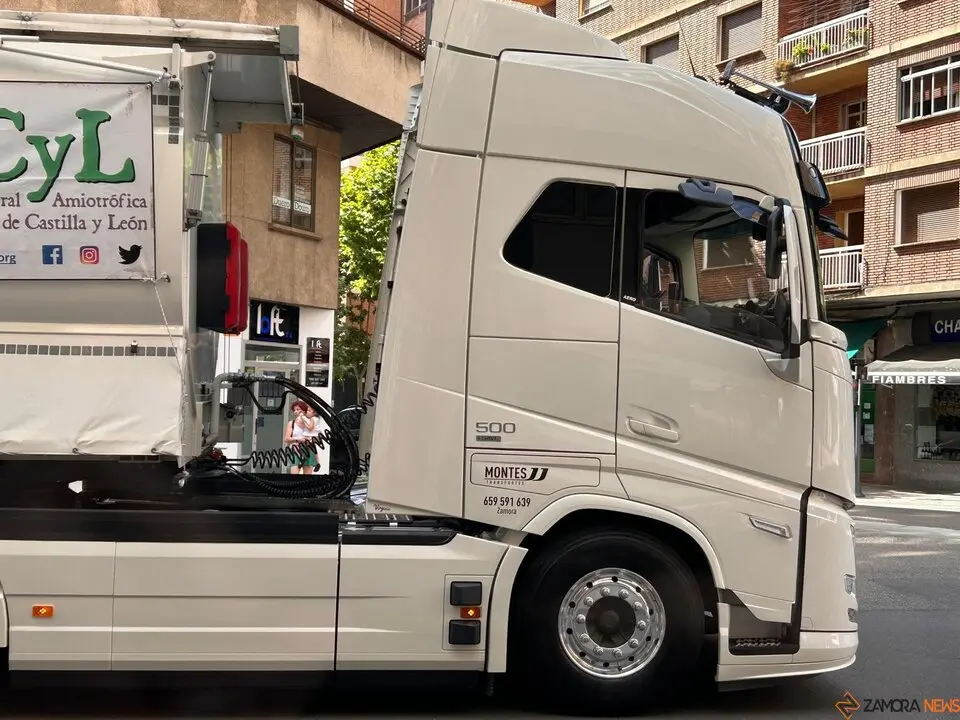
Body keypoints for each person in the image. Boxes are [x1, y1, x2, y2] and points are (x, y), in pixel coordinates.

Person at [284, 400, 317, 474]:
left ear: (304, 409)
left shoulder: (311, 420)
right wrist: (297, 439)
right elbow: (286, 439)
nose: (296, 412)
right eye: (294, 410)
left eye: (298, 409)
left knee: (307, 475)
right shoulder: (291, 423)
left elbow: (312, 432)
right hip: (295, 449)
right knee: (294, 472)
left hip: (308, 448)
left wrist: (304, 419)